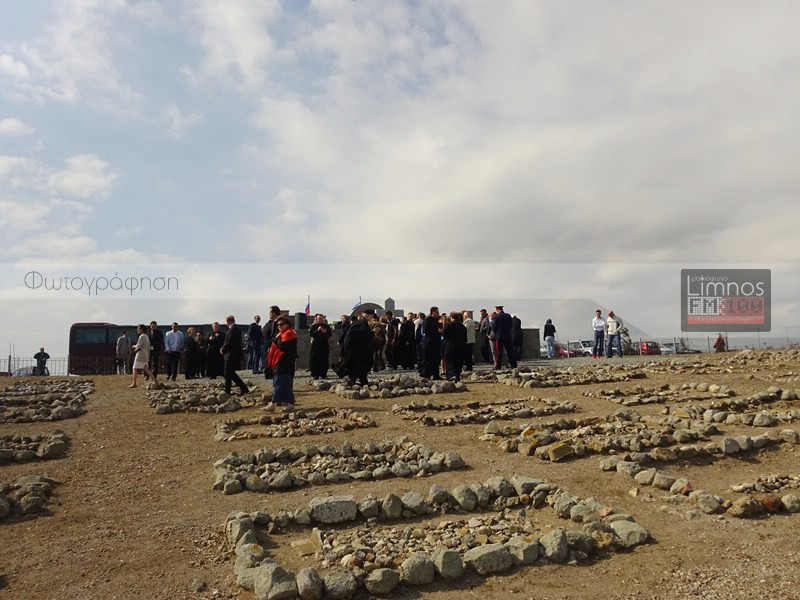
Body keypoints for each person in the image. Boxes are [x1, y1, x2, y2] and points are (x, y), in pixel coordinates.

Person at [263, 316, 299, 412]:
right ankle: (290, 404)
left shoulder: (289, 334)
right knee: (286, 384)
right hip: (283, 362)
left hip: (284, 362)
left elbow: (281, 346)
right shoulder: (283, 334)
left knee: (278, 383)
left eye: (281, 324)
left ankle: (272, 404)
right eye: (277, 325)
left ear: (287, 324)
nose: (279, 326)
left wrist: (277, 338)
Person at [339, 310, 374, 385]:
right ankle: (361, 382)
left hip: (354, 348)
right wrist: (373, 333)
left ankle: (357, 381)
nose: (372, 317)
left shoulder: (358, 322)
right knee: (362, 365)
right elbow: (364, 334)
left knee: (356, 365)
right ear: (368, 315)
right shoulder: (363, 323)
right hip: (357, 349)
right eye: (371, 315)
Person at [221, 315, 249, 396]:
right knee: (231, 373)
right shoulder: (235, 329)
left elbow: (229, 342)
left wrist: (223, 349)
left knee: (227, 372)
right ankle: (243, 388)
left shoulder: (232, 330)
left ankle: (227, 391)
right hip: (233, 354)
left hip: (231, 354)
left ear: (228, 321)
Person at [442, 311, 467, 381]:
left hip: (450, 345)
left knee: (449, 361)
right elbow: (465, 338)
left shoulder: (449, 325)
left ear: (452, 317)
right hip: (460, 346)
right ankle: (457, 376)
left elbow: (444, 334)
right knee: (458, 362)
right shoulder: (462, 327)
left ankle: (451, 376)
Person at [420, 306, 443, 379]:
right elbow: (426, 331)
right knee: (428, 359)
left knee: (436, 359)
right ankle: (426, 374)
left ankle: (436, 375)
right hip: (429, 342)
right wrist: (437, 330)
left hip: (436, 342)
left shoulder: (436, 320)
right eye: (437, 312)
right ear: (433, 312)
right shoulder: (428, 319)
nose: (438, 313)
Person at [309, 314, 332, 379]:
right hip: (316, 345)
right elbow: (311, 334)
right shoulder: (314, 326)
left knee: (324, 360)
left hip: (324, 344)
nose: (320, 320)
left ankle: (323, 374)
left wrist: (324, 332)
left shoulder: (326, 326)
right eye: (319, 319)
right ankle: (315, 374)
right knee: (315, 359)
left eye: (321, 319)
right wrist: (317, 330)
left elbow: (330, 334)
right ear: (316, 319)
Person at [262, 306, 281, 379]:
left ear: (273, 313)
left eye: (270, 312)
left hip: (274, 348)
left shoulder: (278, 323)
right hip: (268, 347)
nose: (269, 314)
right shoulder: (270, 324)